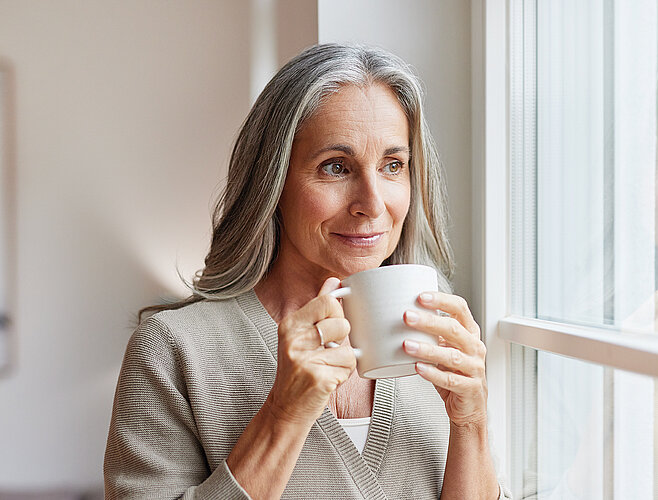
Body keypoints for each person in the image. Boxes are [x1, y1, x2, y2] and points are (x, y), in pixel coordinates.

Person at [103, 43, 509, 499]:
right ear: (272, 182)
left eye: (393, 166)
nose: (372, 204)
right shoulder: (175, 350)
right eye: (336, 167)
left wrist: (470, 422)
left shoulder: (435, 339)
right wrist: (284, 414)